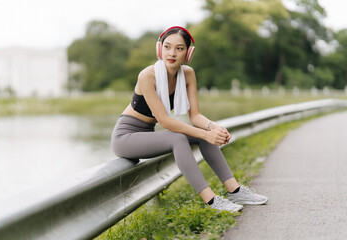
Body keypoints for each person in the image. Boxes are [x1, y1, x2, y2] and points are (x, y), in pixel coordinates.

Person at [111, 26, 268, 212]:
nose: (172, 53)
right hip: (126, 138)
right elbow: (165, 121)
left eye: (179, 48)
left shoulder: (188, 74)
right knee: (178, 137)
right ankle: (211, 201)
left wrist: (213, 127)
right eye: (167, 47)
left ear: (188, 52)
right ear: (159, 49)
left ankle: (235, 191)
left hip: (147, 135)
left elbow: (195, 116)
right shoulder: (147, 76)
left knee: (203, 134)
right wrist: (205, 134)